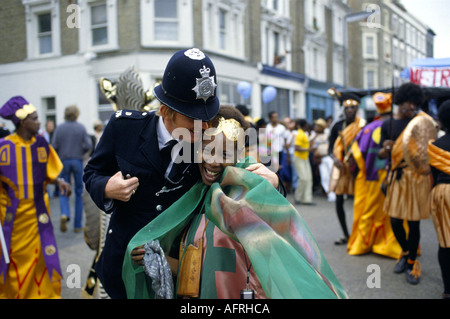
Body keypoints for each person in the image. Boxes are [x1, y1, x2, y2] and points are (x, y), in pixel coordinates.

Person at [83, 48, 281, 299]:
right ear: (166, 111)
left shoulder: (206, 141)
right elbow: (92, 172)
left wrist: (273, 181)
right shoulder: (123, 128)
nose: (205, 127)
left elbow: (244, 175)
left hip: (180, 274)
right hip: (124, 267)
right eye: (194, 121)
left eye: (208, 117)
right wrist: (106, 188)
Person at [123, 106, 347, 299]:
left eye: (225, 153)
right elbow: (205, 265)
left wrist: (274, 187)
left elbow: (277, 251)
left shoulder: (248, 191)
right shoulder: (196, 190)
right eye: (207, 149)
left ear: (240, 154)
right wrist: (159, 260)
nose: (212, 160)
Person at [0, 96, 71, 299]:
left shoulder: (41, 144)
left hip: (39, 217)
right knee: (14, 260)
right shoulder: (3, 147)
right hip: (12, 221)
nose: (39, 122)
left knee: (41, 259)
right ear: (23, 122)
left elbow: (49, 172)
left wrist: (59, 182)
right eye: (35, 118)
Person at [378, 82, 437, 285]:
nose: (410, 106)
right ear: (399, 102)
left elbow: (428, 149)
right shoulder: (388, 124)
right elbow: (380, 153)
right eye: (406, 102)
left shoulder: (421, 123)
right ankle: (405, 252)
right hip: (396, 176)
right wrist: (385, 149)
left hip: (416, 177)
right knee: (395, 220)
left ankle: (411, 261)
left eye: (414, 102)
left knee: (413, 222)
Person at [347, 92, 403, 259]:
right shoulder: (399, 126)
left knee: (369, 210)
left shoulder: (368, 129)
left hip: (371, 177)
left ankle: (363, 244)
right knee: (394, 210)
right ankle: (396, 245)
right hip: (395, 177)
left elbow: (357, 155)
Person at [328, 93, 366, 245]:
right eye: (347, 107)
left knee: (361, 202)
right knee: (338, 201)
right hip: (341, 168)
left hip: (357, 169)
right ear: (343, 109)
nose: (350, 110)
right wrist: (335, 159)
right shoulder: (337, 126)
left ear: (357, 108)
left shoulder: (363, 125)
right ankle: (346, 234)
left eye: (353, 107)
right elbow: (330, 149)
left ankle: (360, 235)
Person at [52, 105, 92, 233]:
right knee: (79, 191)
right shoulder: (80, 127)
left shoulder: (60, 128)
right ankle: (77, 224)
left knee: (64, 187)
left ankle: (65, 213)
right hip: (77, 160)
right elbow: (89, 145)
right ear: (76, 114)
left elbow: (54, 146)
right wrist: (82, 153)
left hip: (63, 161)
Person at [427, 99, 450, 298]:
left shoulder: (435, 146)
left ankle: (447, 289)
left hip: (443, 192)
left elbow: (431, 174)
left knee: (445, 242)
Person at [293, 119, 315, 205]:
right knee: (303, 178)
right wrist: (309, 149)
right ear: (303, 126)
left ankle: (307, 199)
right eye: (306, 125)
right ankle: (298, 198)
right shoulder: (300, 134)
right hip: (299, 158)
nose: (308, 126)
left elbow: (305, 143)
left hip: (304, 158)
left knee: (309, 179)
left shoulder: (303, 134)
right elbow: (296, 147)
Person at [312, 118, 335, 202]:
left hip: (329, 157)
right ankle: (329, 194)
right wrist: (315, 135)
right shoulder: (314, 135)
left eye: (318, 126)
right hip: (321, 158)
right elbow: (310, 143)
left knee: (332, 176)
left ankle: (334, 193)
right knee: (324, 177)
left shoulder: (327, 132)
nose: (316, 127)